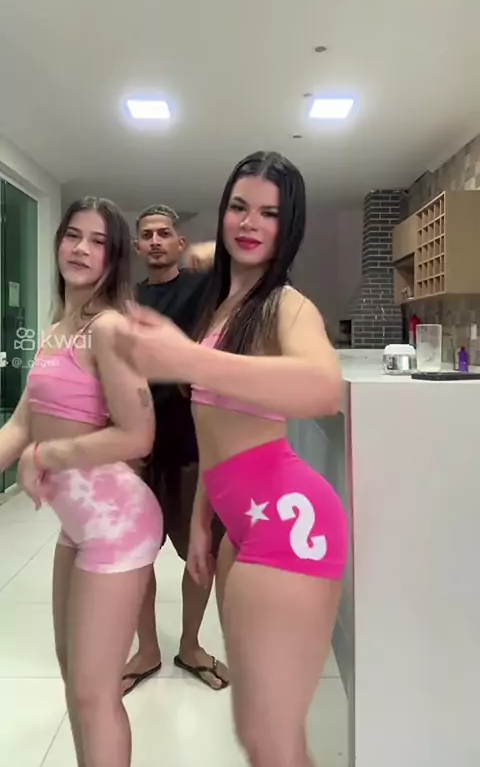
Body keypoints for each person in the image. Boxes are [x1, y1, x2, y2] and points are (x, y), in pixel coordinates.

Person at [114, 151, 349, 767]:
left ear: (289, 225)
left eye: (270, 213)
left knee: (271, 736)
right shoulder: (224, 306)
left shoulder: (284, 305)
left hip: (289, 525)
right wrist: (201, 519)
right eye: (239, 207)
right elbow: (213, 430)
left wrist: (187, 360)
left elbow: (324, 389)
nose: (250, 222)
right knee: (256, 727)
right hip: (238, 520)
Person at [0, 196, 163, 767]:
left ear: (113, 258)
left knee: (95, 695)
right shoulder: (56, 332)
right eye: (73, 235)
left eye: (97, 241)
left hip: (118, 524)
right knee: (75, 679)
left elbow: (139, 434)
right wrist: (31, 447)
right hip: (78, 525)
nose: (81, 249)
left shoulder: (109, 328)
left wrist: (51, 453)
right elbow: (21, 424)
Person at [121, 204, 229, 695]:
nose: (156, 241)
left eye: (165, 233)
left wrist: (212, 250)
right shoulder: (126, 301)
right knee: (135, 556)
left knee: (202, 554)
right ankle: (146, 648)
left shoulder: (203, 287)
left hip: (194, 445)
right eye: (147, 235)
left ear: (179, 243)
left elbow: (256, 263)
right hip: (136, 447)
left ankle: (190, 644)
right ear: (138, 247)